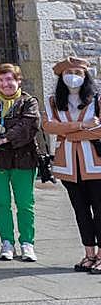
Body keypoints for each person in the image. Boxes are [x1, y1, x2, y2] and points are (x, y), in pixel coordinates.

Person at [43, 57, 101, 273]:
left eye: (78, 72)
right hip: (68, 165)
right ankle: (89, 253)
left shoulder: (97, 99)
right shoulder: (53, 102)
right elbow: (49, 126)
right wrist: (82, 126)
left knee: (100, 209)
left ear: (85, 76)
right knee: (81, 211)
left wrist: (70, 133)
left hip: (96, 165)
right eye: (69, 72)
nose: (73, 76)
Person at [0, 62, 41, 262]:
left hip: (23, 159)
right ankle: (7, 243)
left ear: (18, 80)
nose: (5, 84)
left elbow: (28, 125)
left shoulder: (29, 102)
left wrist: (4, 138)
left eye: (9, 79)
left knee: (25, 203)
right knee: (1, 203)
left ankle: (27, 243)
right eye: (0, 80)